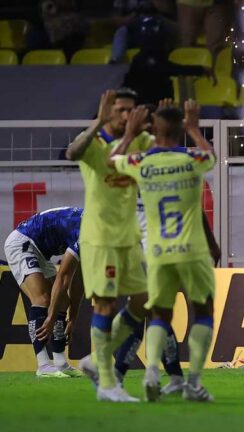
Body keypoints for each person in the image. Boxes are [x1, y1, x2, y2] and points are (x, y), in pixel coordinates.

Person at [109, 100, 217, 402]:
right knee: (204, 311)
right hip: (193, 251)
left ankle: (152, 372)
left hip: (156, 252)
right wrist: (194, 129)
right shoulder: (194, 159)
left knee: (158, 313)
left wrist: (129, 134)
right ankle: (193, 383)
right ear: (182, 127)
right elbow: (212, 155)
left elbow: (111, 159)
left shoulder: (141, 162)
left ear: (154, 129)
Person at [65, 88, 154, 402]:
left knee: (144, 301)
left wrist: (146, 129)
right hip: (100, 237)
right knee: (104, 304)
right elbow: (71, 153)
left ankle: (94, 358)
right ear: (108, 112)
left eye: (131, 110)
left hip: (129, 236)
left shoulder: (140, 139)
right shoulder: (94, 142)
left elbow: (152, 159)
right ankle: (106, 383)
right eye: (121, 110)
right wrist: (98, 123)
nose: (127, 115)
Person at [3, 207, 84, 378]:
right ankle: (43, 365)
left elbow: (79, 278)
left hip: (40, 251)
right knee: (42, 299)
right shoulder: (87, 233)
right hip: (22, 242)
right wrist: (50, 318)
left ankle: (60, 363)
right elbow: (63, 277)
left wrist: (74, 318)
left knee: (62, 301)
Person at [122, 16, 214, 106]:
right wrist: (200, 70)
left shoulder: (141, 57)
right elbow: (173, 69)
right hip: (150, 104)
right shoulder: (145, 59)